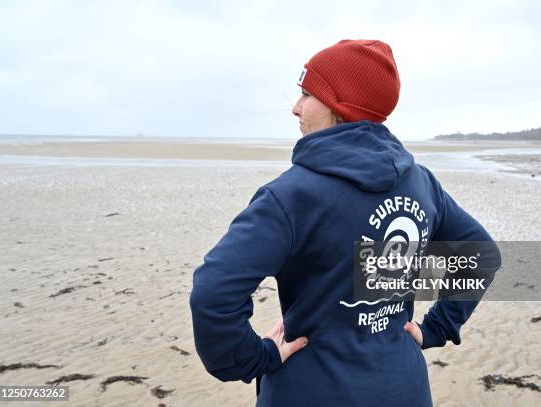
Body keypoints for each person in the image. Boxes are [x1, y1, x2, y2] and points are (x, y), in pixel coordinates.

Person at [190, 39, 501, 406]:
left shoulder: (291, 195)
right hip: (403, 386)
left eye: (307, 94)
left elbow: (214, 293)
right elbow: (481, 253)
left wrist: (253, 358)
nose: (295, 107)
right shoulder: (421, 182)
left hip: (309, 389)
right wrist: (436, 328)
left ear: (339, 105)